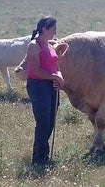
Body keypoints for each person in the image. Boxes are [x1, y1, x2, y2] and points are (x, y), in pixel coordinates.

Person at [25, 16, 64, 166]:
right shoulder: (34, 46)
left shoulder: (50, 45)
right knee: (43, 122)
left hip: (51, 85)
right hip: (38, 86)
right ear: (44, 29)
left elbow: (56, 66)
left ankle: (43, 155)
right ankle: (38, 159)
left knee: (50, 121)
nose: (55, 31)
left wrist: (59, 77)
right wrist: (53, 76)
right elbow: (35, 70)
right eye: (53, 28)